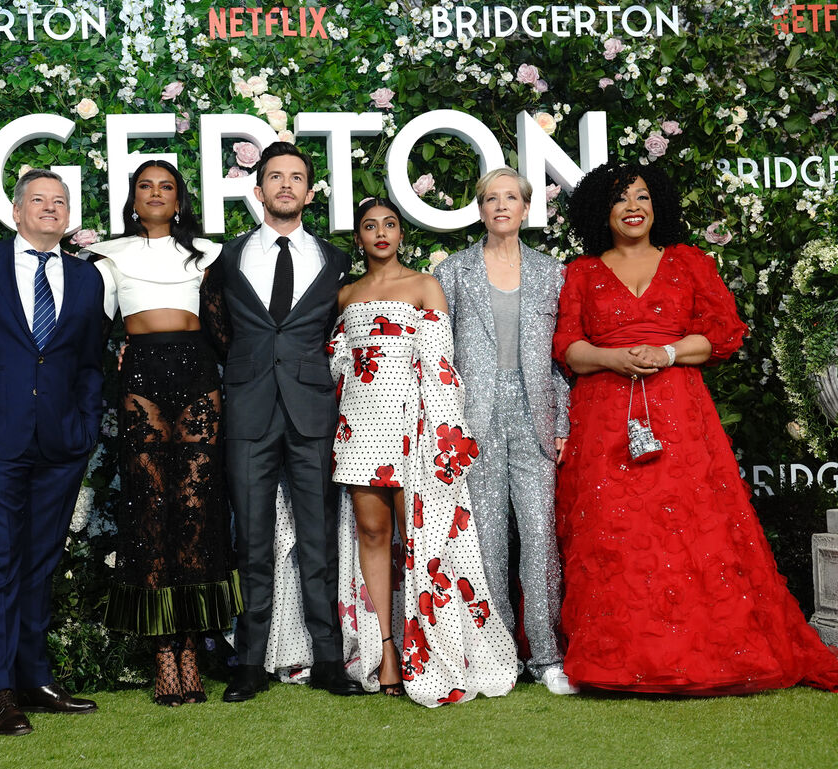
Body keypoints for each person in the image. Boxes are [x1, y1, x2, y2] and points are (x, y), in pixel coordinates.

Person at [554, 161, 838, 694]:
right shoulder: (582, 273)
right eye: (621, 199)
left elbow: (723, 334)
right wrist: (614, 359)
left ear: (656, 205)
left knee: (691, 530)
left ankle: (706, 652)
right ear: (602, 212)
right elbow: (568, 346)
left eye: (642, 196)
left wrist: (665, 351)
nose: (634, 207)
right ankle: (621, 658)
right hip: (605, 419)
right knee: (616, 535)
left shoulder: (687, 262)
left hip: (678, 413)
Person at [0, 168, 106, 734]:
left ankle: (34, 678)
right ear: (16, 211)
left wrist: (83, 425)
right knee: (2, 558)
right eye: (39, 200)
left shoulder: (86, 279)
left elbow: (88, 363)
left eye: (60, 201)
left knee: (41, 561)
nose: (51, 208)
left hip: (61, 442)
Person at [330, 197, 518, 706]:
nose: (381, 233)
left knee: (421, 537)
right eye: (370, 226)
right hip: (360, 428)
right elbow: (337, 367)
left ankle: (433, 652)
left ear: (401, 233)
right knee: (371, 532)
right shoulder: (346, 295)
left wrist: (442, 438)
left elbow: (441, 367)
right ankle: (386, 650)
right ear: (359, 239)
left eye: (390, 224)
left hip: (413, 430)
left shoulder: (423, 286)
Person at [79, 160, 241, 706]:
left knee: (197, 509)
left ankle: (192, 647)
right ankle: (163, 653)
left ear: (179, 201)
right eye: (145, 186)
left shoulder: (208, 256)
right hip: (141, 379)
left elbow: (224, 333)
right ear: (132, 198)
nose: (155, 194)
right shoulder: (107, 257)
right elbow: (95, 332)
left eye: (166, 187)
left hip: (197, 377)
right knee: (151, 511)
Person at [213, 141, 363, 701]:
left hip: (312, 412)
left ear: (309, 192)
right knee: (250, 541)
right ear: (258, 190)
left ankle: (328, 661)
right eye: (274, 176)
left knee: (318, 540)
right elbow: (216, 330)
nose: (284, 186)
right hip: (248, 412)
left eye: (295, 178)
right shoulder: (228, 258)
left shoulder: (334, 259)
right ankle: (249, 663)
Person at [436, 168, 576, 695]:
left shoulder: (552, 273)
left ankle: (545, 656)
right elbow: (440, 354)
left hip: (535, 415)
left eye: (510, 198)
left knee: (540, 538)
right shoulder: (455, 272)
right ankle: (496, 655)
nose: (501, 206)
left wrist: (562, 423)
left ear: (525, 208)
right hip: (475, 419)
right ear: (480, 209)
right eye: (491, 198)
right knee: (486, 541)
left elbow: (562, 360)